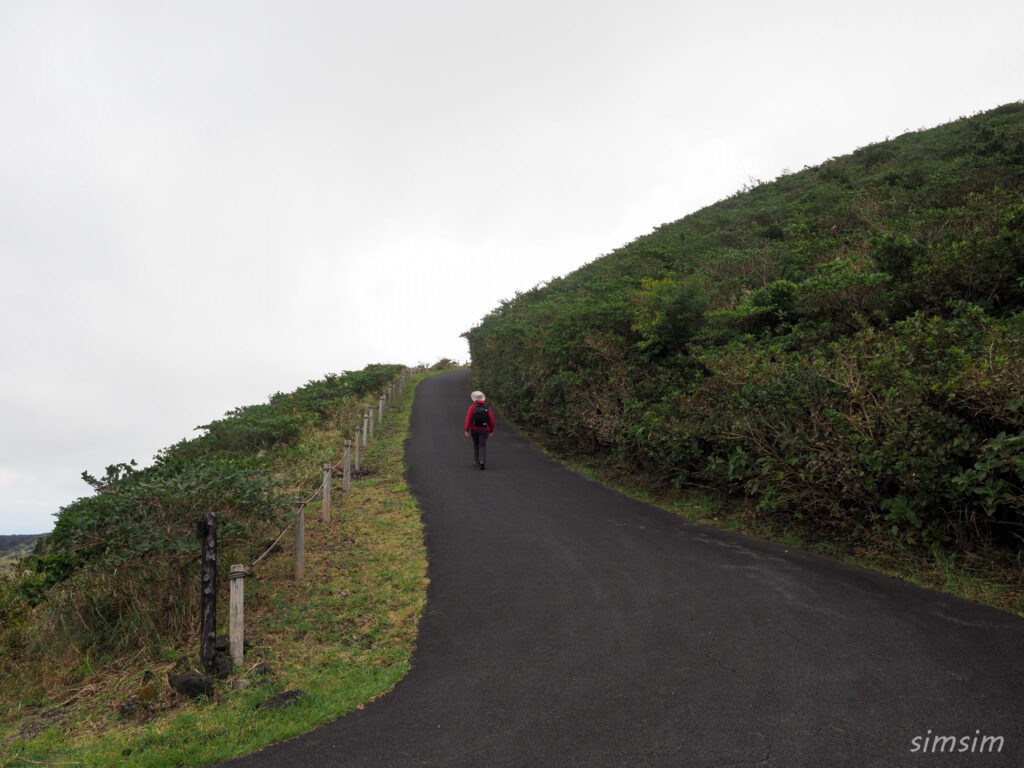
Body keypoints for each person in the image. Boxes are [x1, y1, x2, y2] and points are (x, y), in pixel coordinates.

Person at [464, 390, 495, 470]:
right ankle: (482, 460)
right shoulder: (487, 408)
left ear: (474, 399)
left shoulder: (472, 407)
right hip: (484, 429)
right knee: (482, 445)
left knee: (476, 444)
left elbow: (468, 419)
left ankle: (476, 460)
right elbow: (491, 420)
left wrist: (467, 429)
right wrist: (491, 430)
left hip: (474, 429)